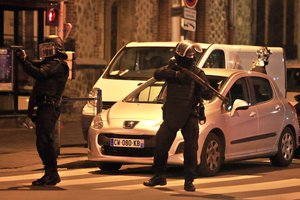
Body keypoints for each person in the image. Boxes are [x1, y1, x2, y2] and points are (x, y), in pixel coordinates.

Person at [143, 40, 212, 192]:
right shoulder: (172, 69)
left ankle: (189, 180)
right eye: (188, 53)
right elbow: (157, 74)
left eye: (192, 54)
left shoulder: (198, 73)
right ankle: (159, 176)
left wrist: (204, 88)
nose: (191, 56)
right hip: (171, 114)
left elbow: (208, 95)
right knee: (160, 145)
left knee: (190, 148)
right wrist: (175, 74)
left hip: (190, 114)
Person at [16, 35, 69, 186]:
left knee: (46, 140)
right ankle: (49, 173)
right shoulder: (48, 64)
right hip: (43, 107)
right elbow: (37, 75)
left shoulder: (58, 64)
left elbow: (39, 73)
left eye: (48, 47)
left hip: (49, 107)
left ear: (56, 48)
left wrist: (23, 61)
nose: (45, 51)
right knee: (42, 141)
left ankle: (52, 173)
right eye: (43, 48)